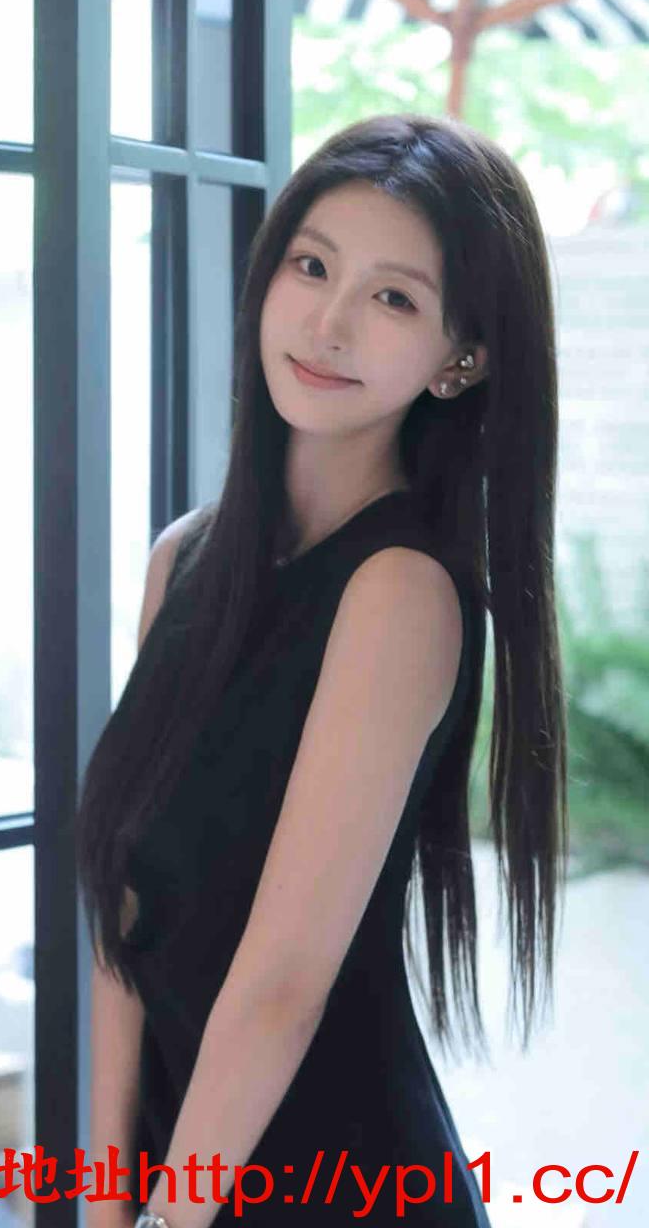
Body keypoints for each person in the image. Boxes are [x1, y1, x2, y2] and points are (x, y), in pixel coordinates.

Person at [75, 112, 568, 1227]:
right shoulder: (181, 562)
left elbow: (281, 983)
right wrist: (104, 1208)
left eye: (391, 298)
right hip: (187, 1183)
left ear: (460, 358)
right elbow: (122, 917)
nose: (328, 323)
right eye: (310, 267)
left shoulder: (399, 595)